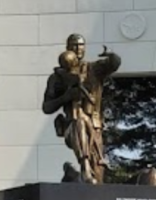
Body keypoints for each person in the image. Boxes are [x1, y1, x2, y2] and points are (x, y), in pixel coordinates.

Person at [42, 33, 121, 184]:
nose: (78, 48)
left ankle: (75, 176)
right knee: (79, 121)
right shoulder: (57, 77)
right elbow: (47, 107)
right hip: (71, 126)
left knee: (97, 178)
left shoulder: (94, 69)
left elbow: (114, 63)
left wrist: (110, 55)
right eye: (74, 45)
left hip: (95, 125)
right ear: (67, 48)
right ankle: (84, 166)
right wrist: (66, 97)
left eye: (81, 45)